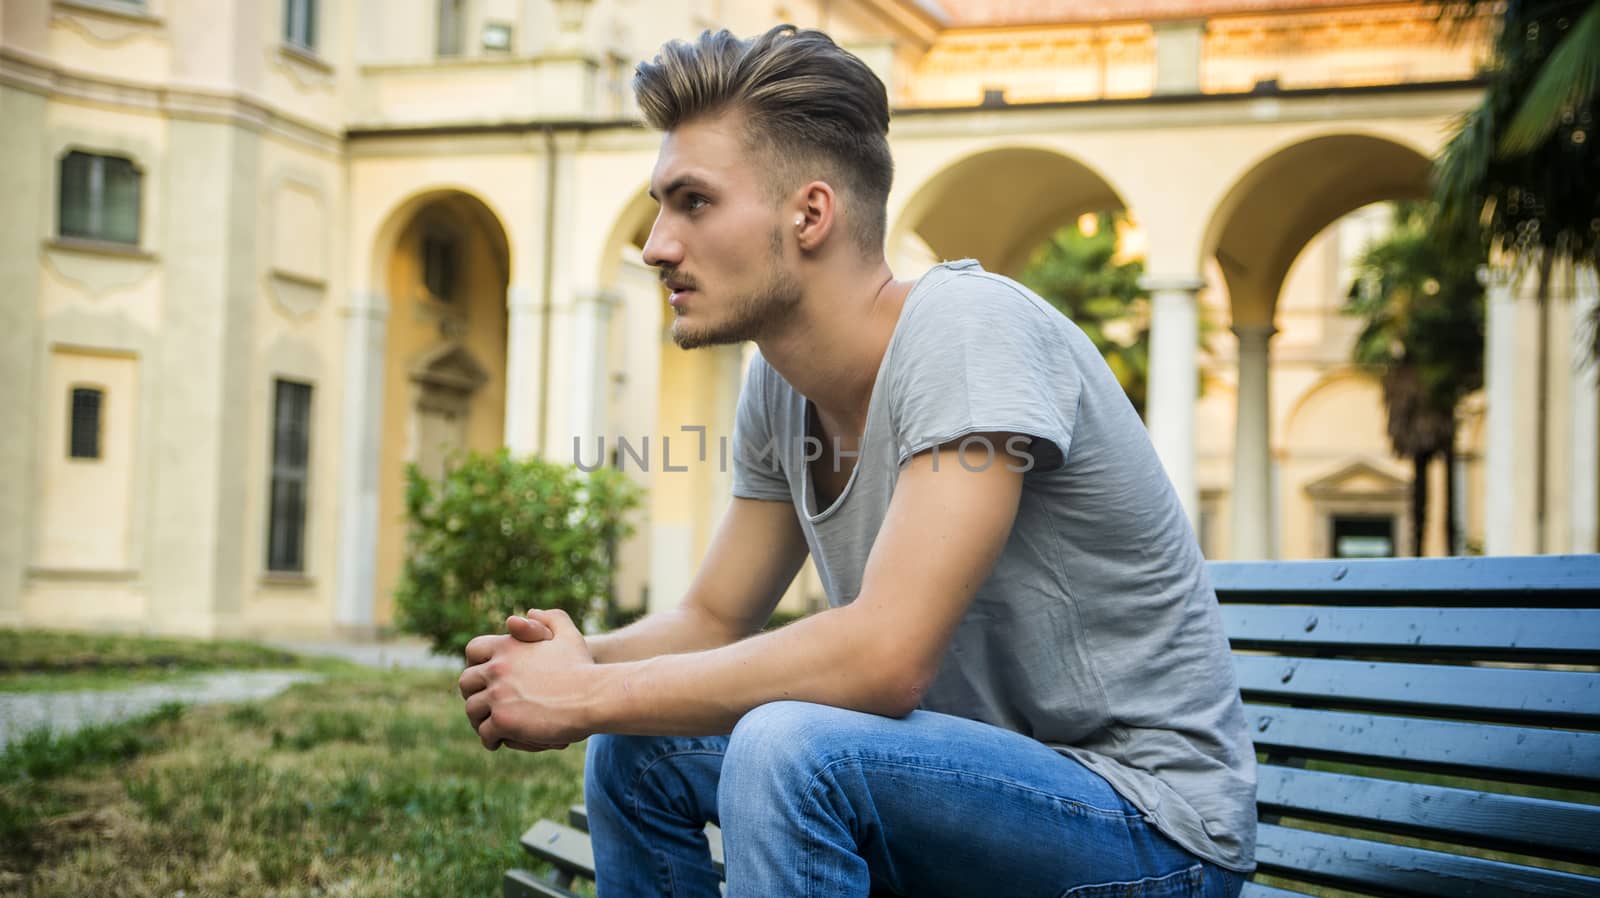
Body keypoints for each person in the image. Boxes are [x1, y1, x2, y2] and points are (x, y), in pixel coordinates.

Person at [458, 24, 1256, 898]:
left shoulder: (968, 330)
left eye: (692, 203)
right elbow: (715, 617)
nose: (654, 245)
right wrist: (575, 664)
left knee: (788, 747)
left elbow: (884, 658)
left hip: (1151, 830)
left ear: (810, 213)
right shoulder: (778, 384)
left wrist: (585, 696)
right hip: (968, 795)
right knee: (640, 748)